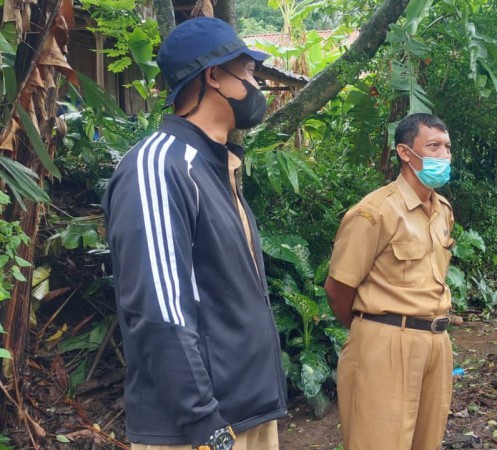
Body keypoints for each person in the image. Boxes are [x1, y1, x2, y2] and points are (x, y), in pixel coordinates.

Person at [103, 17, 286, 450]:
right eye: (247, 72)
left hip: (250, 414)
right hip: (201, 430)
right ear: (214, 76)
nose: (255, 85)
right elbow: (159, 310)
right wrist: (206, 425)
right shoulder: (159, 167)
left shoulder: (218, 166)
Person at [325, 113, 455, 450]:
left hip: (436, 343)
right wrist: (373, 331)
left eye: (447, 148)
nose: (443, 155)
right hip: (386, 342)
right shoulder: (375, 212)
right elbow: (338, 287)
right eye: (434, 146)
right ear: (404, 152)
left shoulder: (442, 211)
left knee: (427, 443)